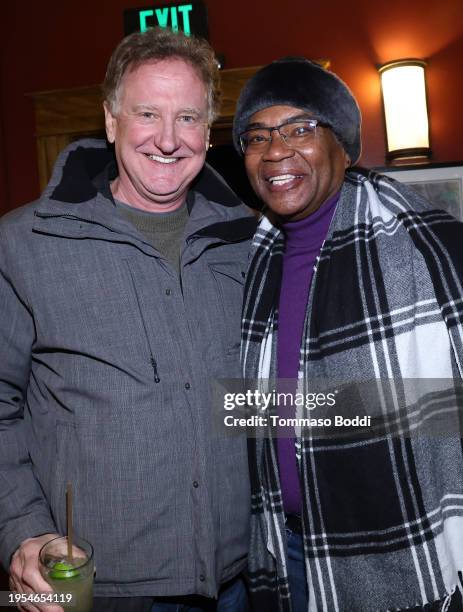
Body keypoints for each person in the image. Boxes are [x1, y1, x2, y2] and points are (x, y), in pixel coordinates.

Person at [0, 27, 256, 612]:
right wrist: (21, 528)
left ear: (208, 131)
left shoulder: (248, 243)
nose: (168, 139)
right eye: (147, 113)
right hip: (91, 591)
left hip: (239, 583)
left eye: (188, 117)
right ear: (112, 121)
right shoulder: (23, 243)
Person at [233, 57, 463, 611]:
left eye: (300, 129)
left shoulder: (436, 249)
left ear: (346, 144)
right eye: (257, 135)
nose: (275, 150)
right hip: (282, 546)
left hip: (407, 545)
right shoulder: (249, 258)